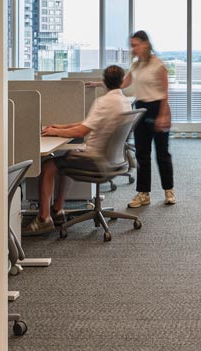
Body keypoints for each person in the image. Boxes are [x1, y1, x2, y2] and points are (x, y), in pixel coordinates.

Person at [23, 64, 131, 235]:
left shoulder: (104, 102)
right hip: (112, 160)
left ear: (103, 82)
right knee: (66, 158)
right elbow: (88, 123)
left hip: (95, 160)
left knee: (48, 166)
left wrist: (55, 131)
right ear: (122, 81)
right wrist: (62, 126)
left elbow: (82, 131)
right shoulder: (124, 101)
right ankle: (57, 210)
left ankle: (44, 219)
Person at [123, 30, 175, 208]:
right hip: (141, 109)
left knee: (162, 153)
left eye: (136, 45)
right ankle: (143, 193)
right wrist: (99, 84)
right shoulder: (135, 66)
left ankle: (169, 190)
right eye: (132, 46)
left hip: (158, 108)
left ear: (146, 44)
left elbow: (165, 93)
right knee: (142, 154)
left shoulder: (158, 64)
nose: (134, 49)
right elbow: (123, 84)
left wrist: (162, 115)